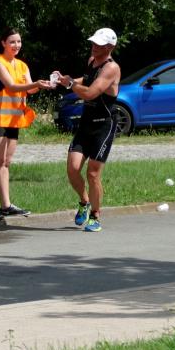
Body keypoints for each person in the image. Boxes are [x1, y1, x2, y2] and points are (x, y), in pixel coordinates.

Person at [54, 27, 121, 232]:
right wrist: (66, 81)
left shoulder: (111, 68)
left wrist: (71, 84)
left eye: (98, 44)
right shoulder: (92, 61)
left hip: (104, 125)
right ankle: (85, 201)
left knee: (92, 173)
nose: (93, 46)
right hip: (86, 123)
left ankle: (95, 215)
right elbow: (87, 80)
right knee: (73, 169)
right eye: (93, 42)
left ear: (109, 47)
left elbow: (91, 93)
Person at [0, 28, 52, 220]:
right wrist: (35, 84)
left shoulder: (22, 65)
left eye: (19, 42)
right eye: (12, 42)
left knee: (6, 162)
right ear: (3, 43)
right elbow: (11, 86)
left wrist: (44, 85)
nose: (16, 45)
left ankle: (6, 205)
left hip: (13, 120)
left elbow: (29, 90)